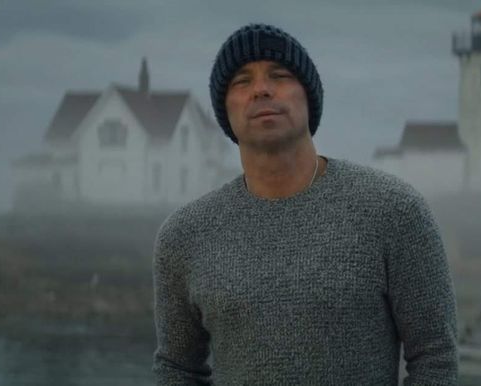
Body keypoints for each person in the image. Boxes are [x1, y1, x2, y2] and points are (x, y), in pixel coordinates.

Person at [152, 23, 458, 385]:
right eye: (241, 81)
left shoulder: (393, 211)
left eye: (279, 75)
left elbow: (435, 357)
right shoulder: (185, 235)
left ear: (309, 97)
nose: (261, 90)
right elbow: (177, 368)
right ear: (225, 110)